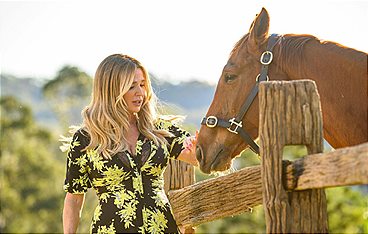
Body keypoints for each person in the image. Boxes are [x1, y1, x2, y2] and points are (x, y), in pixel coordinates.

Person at [62, 54, 198, 234]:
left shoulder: (160, 130)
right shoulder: (86, 138)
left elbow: (197, 158)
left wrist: (199, 146)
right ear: (111, 90)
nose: (140, 93)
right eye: (131, 86)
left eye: (142, 85)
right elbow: (74, 199)